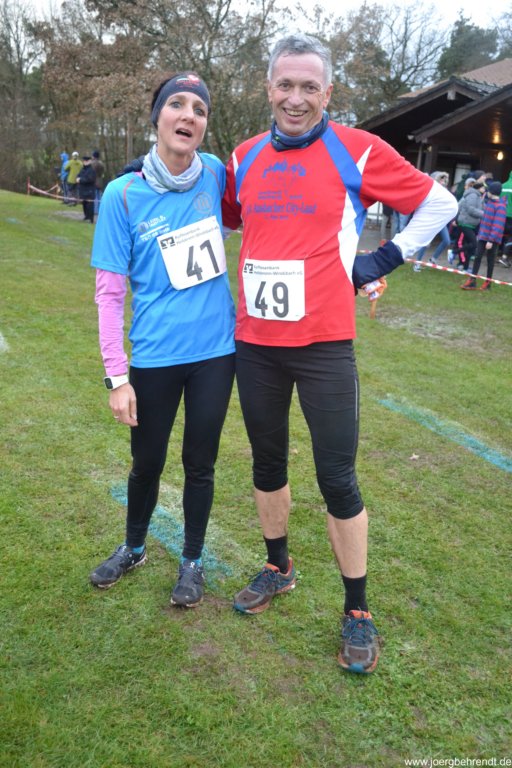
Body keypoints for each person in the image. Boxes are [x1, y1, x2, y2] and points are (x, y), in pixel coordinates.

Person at [221, 34, 457, 674]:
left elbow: (439, 202)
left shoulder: (359, 149)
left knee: (337, 477)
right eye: (285, 85)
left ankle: (358, 609)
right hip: (256, 344)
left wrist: (381, 259)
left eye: (309, 87)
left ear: (328, 92)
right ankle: (279, 567)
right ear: (268, 88)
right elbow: (230, 219)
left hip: (325, 346)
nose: (295, 98)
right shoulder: (243, 156)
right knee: (267, 463)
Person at [89, 73, 236, 608]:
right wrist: (117, 377)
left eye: (199, 108)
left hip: (215, 353)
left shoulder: (216, 174)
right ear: (157, 118)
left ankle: (192, 561)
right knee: (146, 463)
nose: (188, 115)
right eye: (177, 104)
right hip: (154, 356)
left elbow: (267, 213)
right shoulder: (122, 194)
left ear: (204, 125)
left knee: (200, 464)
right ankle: (133, 548)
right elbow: (110, 294)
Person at [461, 181, 507, 290]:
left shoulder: (500, 207)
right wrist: (480, 234)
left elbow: (498, 225)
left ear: (492, 192)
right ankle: (472, 281)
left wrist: (491, 240)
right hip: (482, 237)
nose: (486, 192)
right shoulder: (489, 203)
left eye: (488, 190)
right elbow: (484, 221)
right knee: (477, 257)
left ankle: (488, 283)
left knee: (490, 260)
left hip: (492, 240)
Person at [412, 171, 452, 271]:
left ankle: (433, 259)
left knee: (447, 240)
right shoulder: (432, 191)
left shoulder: (446, 192)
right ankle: (417, 263)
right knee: (426, 243)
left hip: (441, 221)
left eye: (445, 180)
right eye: (441, 179)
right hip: (431, 219)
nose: (443, 182)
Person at [456, 176, 485, 271]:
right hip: (465, 223)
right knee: (472, 243)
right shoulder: (472, 195)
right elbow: (471, 209)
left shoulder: (478, 196)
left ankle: (466, 266)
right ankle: (454, 253)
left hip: (472, 224)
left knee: (470, 246)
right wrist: (483, 214)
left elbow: (481, 208)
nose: (484, 189)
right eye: (483, 187)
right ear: (479, 188)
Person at [498, 170, 512, 267]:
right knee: (510, 237)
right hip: (511, 216)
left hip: (500, 214)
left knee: (499, 234)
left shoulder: (502, 186)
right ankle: (504, 256)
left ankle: (493, 255)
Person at [77, 155, 97, 223]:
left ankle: (91, 218)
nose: (85, 162)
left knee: (90, 204)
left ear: (89, 161)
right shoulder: (82, 169)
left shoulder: (91, 170)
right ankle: (86, 216)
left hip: (89, 190)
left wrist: (80, 180)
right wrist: (78, 179)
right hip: (83, 189)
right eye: (84, 161)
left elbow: (90, 179)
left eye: (86, 161)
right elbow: (78, 175)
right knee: (84, 204)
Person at [91, 150, 105, 215]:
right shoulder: (101, 163)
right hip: (100, 181)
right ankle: (99, 210)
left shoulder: (92, 163)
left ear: (94, 156)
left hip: (94, 181)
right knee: (99, 196)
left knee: (94, 196)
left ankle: (95, 210)